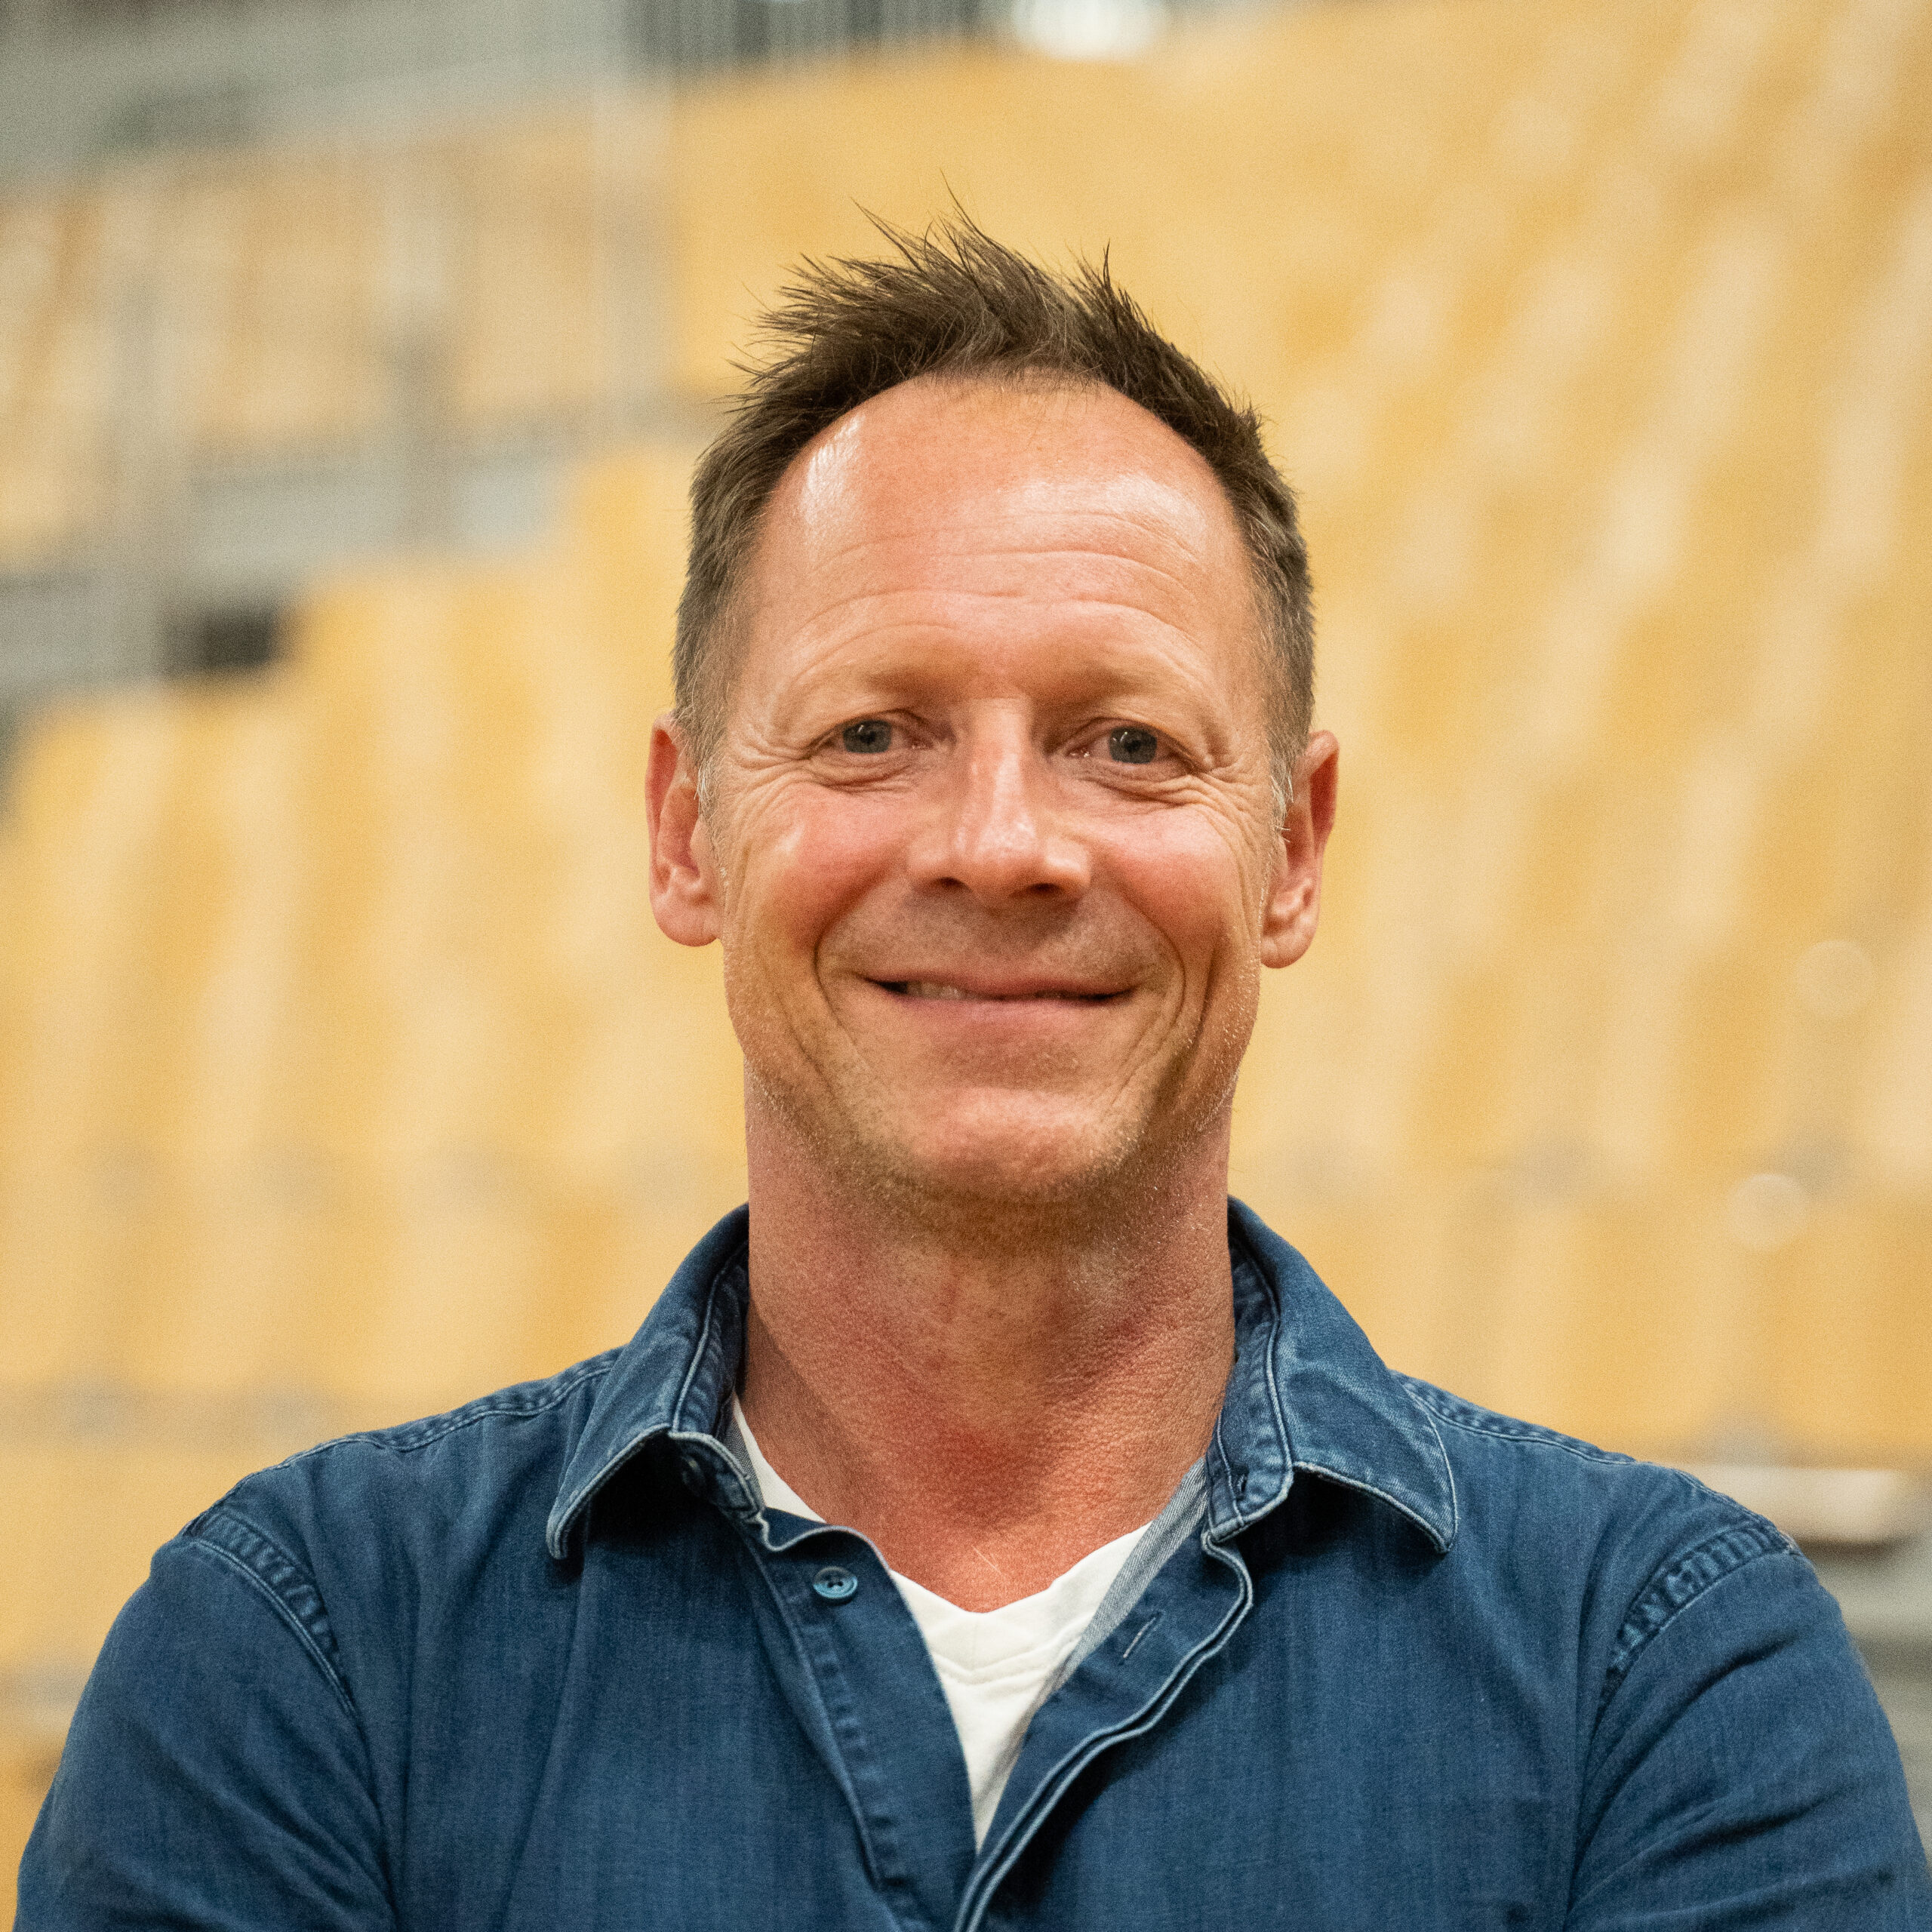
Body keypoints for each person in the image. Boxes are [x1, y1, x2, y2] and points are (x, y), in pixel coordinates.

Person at [18, 220, 1929, 1931]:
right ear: (686, 834)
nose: (1002, 844)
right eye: (872, 733)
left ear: (1290, 849)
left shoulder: (1663, 1672)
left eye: (1125, 742)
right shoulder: (301, 1653)